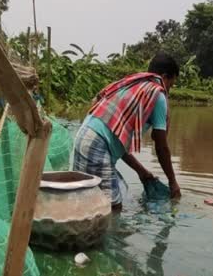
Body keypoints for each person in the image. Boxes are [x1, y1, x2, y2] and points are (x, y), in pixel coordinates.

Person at [73, 52, 181, 210]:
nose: (169, 91)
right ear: (164, 77)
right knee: (112, 208)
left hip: (84, 138)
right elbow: (161, 147)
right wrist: (173, 182)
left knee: (90, 201)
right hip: (97, 146)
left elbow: (117, 140)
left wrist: (142, 172)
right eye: (170, 85)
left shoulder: (133, 86)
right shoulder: (157, 94)